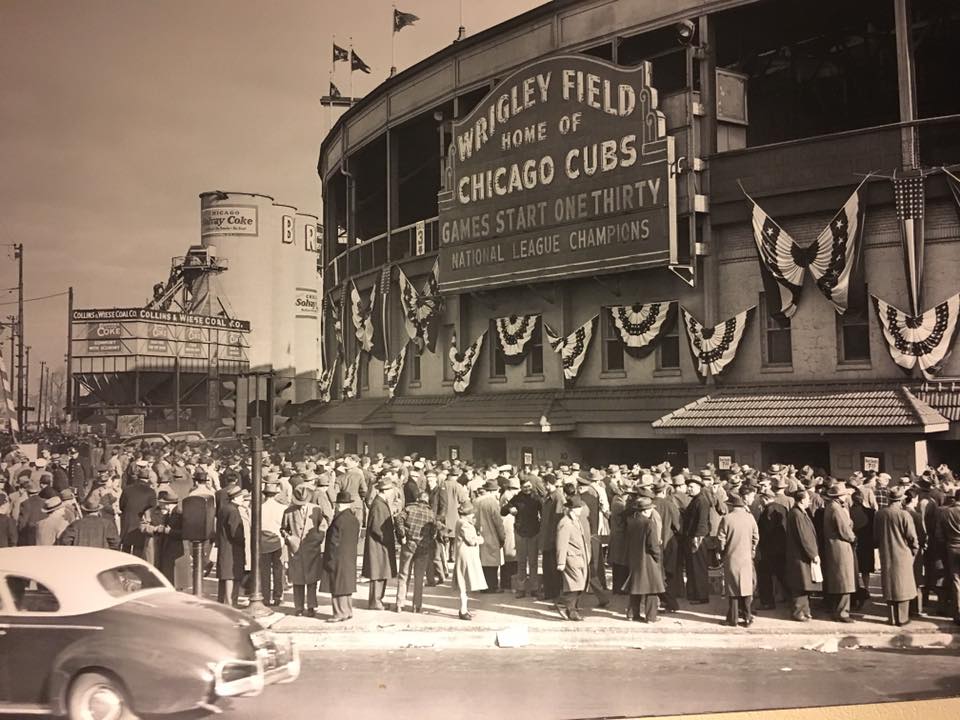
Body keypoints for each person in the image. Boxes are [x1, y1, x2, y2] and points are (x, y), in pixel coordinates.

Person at [874, 485, 919, 626]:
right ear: (900, 500)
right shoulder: (904, 515)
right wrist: (915, 550)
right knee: (903, 585)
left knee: (890, 584)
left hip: (886, 553)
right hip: (903, 553)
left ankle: (891, 618)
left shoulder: (880, 514)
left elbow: (875, 537)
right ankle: (902, 618)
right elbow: (912, 537)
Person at [282, 484, 326, 617]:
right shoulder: (289, 512)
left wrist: (318, 539)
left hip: (312, 550)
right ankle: (299, 607)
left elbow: (323, 525)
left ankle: (312, 606)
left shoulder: (316, 510)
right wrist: (289, 538)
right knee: (298, 580)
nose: (302, 505)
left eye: (304, 502)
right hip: (296, 552)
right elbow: (283, 528)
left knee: (312, 580)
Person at [717, 493, 759, 627]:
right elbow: (756, 537)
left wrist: (721, 552)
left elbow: (721, 539)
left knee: (732, 589)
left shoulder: (727, 519)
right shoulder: (750, 518)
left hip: (731, 557)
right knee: (746, 588)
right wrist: (752, 550)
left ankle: (733, 619)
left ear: (731, 505)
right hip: (746, 557)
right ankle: (747, 617)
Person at [623, 496, 664, 623]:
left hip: (634, 557)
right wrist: (658, 557)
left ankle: (631, 614)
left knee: (636, 586)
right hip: (648, 559)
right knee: (652, 588)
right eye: (651, 508)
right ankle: (651, 617)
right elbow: (653, 545)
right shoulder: (648, 523)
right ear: (646, 510)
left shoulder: (631, 521)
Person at [395, 490, 437, 613]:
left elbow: (398, 519)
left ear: (418, 499)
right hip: (423, 548)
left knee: (403, 575)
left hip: (408, 544)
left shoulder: (409, 509)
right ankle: (416, 606)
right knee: (419, 578)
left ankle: (399, 603)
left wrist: (402, 534)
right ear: (427, 501)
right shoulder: (431, 514)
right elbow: (433, 533)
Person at [323, 490, 360, 623]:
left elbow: (333, 542)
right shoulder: (354, 519)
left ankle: (339, 613)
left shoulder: (338, 521)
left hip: (337, 557)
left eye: (338, 504)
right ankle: (348, 610)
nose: (337, 506)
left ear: (340, 505)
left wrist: (329, 558)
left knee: (337, 586)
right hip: (349, 557)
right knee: (346, 585)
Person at [822, 484, 857, 623]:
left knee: (837, 579)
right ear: (839, 496)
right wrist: (853, 537)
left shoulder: (831, 507)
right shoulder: (837, 509)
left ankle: (837, 610)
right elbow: (844, 530)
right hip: (841, 547)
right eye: (844, 494)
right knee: (845, 580)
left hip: (833, 546)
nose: (846, 496)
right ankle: (843, 612)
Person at [503, 477, 542, 598]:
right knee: (521, 562)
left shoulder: (537, 498)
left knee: (533, 562)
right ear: (521, 487)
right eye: (525, 487)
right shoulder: (517, 498)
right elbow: (502, 511)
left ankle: (535, 588)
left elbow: (544, 513)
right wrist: (509, 508)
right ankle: (521, 588)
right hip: (520, 533)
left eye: (529, 486)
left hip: (534, 532)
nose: (527, 489)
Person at [362, 478, 397, 610]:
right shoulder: (379, 504)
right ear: (386, 491)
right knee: (378, 574)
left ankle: (378, 600)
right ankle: (375, 602)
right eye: (391, 490)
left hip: (379, 545)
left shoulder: (380, 502)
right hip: (379, 545)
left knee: (382, 573)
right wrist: (387, 540)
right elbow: (377, 528)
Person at [784, 490, 819, 622]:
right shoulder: (797, 514)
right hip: (800, 555)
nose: (809, 500)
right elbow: (804, 537)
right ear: (802, 500)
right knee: (800, 584)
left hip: (801, 554)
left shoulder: (799, 513)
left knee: (805, 584)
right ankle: (798, 612)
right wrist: (813, 554)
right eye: (808, 498)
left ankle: (805, 610)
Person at [555, 495, 590, 621]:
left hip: (579, 558)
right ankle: (564, 605)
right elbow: (561, 543)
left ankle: (571, 610)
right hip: (571, 559)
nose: (580, 510)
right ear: (571, 509)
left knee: (578, 585)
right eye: (578, 508)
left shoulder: (576, 521)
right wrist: (561, 562)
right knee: (576, 585)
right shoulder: (565, 523)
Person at [453, 500, 486, 620]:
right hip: (466, 555)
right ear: (467, 514)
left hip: (462, 554)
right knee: (464, 583)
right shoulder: (465, 524)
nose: (473, 516)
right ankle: (463, 610)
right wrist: (480, 538)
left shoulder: (460, 522)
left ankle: (464, 608)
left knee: (464, 583)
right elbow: (471, 541)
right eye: (472, 513)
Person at [683, 475, 711, 603]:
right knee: (693, 567)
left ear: (699, 487)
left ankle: (701, 596)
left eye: (691, 487)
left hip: (698, 538)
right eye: (688, 486)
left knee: (698, 567)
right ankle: (694, 594)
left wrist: (697, 538)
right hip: (693, 537)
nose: (689, 489)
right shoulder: (696, 500)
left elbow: (702, 522)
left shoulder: (702, 501)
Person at [216, 485, 246, 607]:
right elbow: (235, 533)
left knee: (226, 574)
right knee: (232, 575)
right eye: (241, 497)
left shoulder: (224, 508)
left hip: (224, 545)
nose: (243, 499)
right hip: (233, 547)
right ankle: (231, 602)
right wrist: (243, 540)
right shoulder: (234, 511)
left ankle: (224, 601)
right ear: (235, 498)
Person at [474, 480, 505, 592]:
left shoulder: (476, 501)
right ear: (494, 491)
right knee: (492, 562)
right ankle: (492, 586)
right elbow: (498, 522)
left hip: (479, 534)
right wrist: (502, 537)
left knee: (483, 561)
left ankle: (483, 585)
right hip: (492, 535)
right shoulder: (492, 503)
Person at [259, 480, 286, 606]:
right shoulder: (282, 508)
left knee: (264, 571)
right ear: (275, 494)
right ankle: (278, 596)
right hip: (278, 541)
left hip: (263, 541)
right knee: (278, 569)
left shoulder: (259, 508)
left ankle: (265, 596)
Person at [120, 468, 157, 557]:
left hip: (127, 520)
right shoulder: (151, 491)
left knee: (126, 546)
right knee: (139, 548)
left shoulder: (127, 489)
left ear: (137, 477)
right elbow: (153, 507)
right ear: (148, 478)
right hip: (141, 523)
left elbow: (122, 505)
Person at [539, 473, 565, 600]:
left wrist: (554, 539)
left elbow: (558, 519)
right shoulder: (548, 496)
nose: (544, 486)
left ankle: (555, 594)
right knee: (547, 567)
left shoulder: (558, 497)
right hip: (546, 537)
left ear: (550, 483)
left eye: (545, 484)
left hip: (552, 538)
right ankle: (548, 593)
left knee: (554, 568)